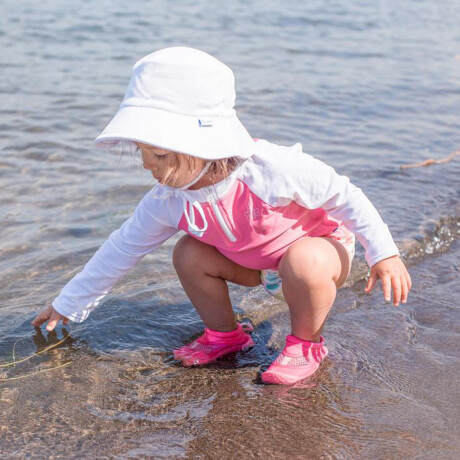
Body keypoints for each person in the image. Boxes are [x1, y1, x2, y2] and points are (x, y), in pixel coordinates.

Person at [31, 47, 412, 385]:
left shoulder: (270, 169)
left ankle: (306, 343)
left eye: (160, 155)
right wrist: (69, 303)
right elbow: (122, 250)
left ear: (204, 144)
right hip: (254, 267)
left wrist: (384, 253)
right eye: (141, 152)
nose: (147, 165)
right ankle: (225, 335)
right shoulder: (167, 198)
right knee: (187, 252)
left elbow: (345, 196)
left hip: (320, 255)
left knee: (304, 260)